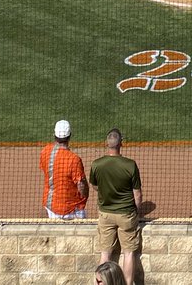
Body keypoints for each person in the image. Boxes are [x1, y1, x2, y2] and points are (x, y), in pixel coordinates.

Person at [89, 128, 143, 285]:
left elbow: (95, 186)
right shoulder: (130, 165)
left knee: (105, 254)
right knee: (128, 253)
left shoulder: (97, 164)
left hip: (105, 214)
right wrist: (136, 213)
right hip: (126, 215)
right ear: (121, 144)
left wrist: (106, 191)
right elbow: (137, 194)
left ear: (107, 143)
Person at [40, 119, 89, 220]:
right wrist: (85, 196)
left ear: (54, 135)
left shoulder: (45, 151)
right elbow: (81, 186)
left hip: (51, 207)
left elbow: (46, 171)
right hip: (72, 209)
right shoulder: (74, 159)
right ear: (69, 136)